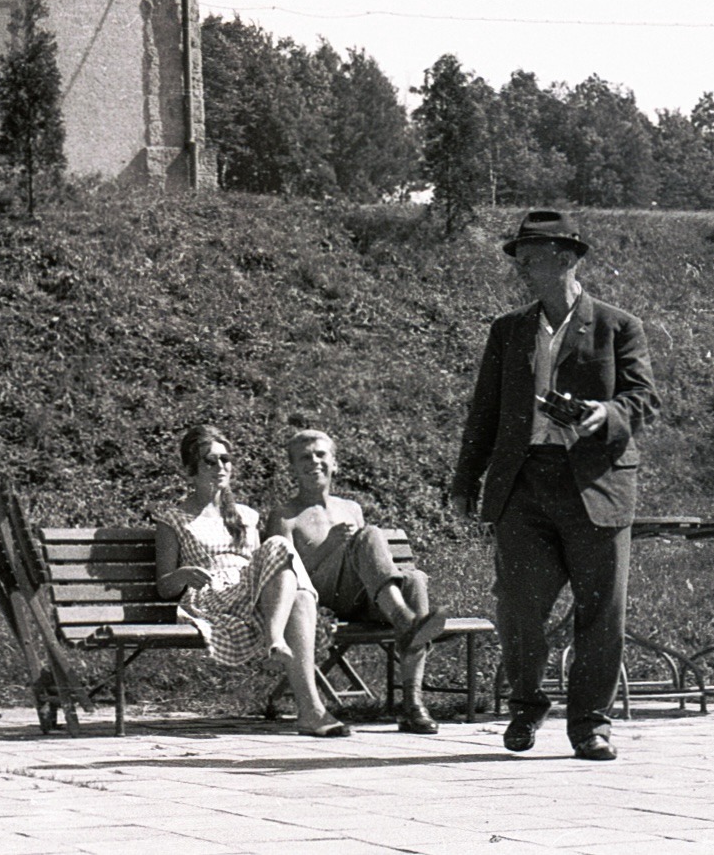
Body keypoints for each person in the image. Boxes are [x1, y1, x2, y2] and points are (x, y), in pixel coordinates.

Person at [449, 210, 659, 762]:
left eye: (531, 256)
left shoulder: (618, 326)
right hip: (523, 485)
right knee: (517, 607)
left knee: (601, 612)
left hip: (595, 484)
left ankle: (590, 724)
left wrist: (603, 414)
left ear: (567, 258)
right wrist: (466, 479)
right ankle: (526, 703)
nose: (520, 266)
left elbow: (644, 399)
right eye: (518, 256)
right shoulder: (509, 329)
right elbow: (485, 410)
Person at [154, 424, 348, 737]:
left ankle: (310, 711)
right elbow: (164, 585)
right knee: (281, 547)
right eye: (210, 461)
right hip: (210, 594)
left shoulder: (246, 516)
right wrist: (183, 574)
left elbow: (269, 570)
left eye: (225, 459)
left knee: (296, 592)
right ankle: (275, 640)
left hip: (248, 590)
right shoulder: (173, 518)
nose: (220, 467)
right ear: (191, 471)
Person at [268, 430, 449, 734]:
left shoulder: (351, 508)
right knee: (370, 535)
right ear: (293, 468)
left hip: (361, 599)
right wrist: (328, 547)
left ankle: (413, 705)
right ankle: (406, 620)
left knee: (416, 579)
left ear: (334, 463)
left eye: (320, 455)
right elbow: (285, 579)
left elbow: (369, 569)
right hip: (318, 601)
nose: (314, 461)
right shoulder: (285, 516)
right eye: (304, 457)